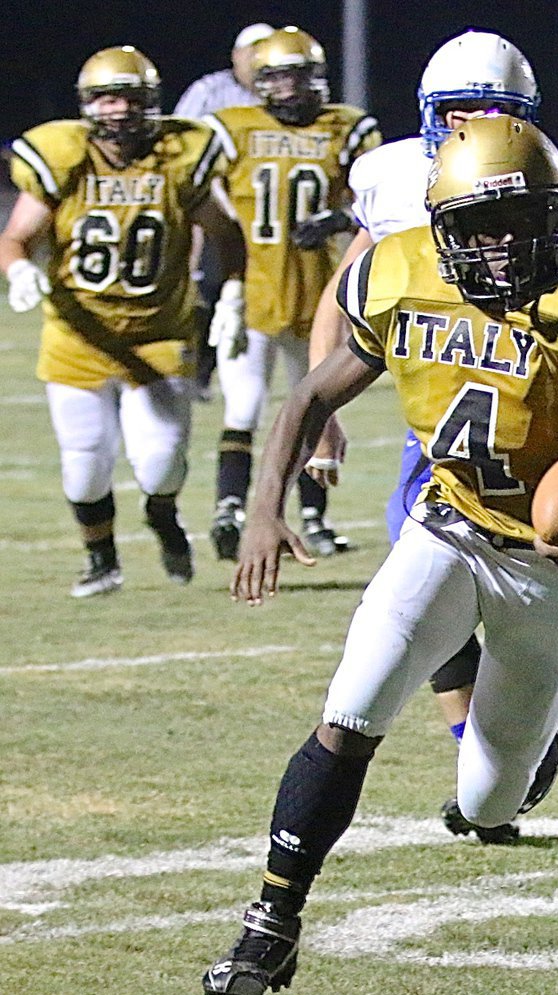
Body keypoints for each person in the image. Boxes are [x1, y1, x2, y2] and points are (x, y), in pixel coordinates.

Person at [201, 115, 558, 995]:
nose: (503, 246)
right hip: (446, 528)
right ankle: (270, 923)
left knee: (489, 804)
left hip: (552, 565)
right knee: (351, 710)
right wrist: (264, 510)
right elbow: (309, 395)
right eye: (481, 227)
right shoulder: (399, 274)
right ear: (442, 228)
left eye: (522, 222)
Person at [308, 31, 558, 849]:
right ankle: (477, 750)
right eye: (458, 109)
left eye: (494, 109)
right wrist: (322, 406)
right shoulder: (389, 176)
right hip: (444, 411)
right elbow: (349, 291)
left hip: (539, 413)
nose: (472, 123)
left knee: (551, 550)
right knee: (414, 572)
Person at [0, 46, 246, 598]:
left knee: (160, 466)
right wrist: (18, 269)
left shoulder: (180, 156)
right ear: (87, 104)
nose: (118, 109)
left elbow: (227, 235)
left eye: (130, 97)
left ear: (150, 101)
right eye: (106, 98)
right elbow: (14, 237)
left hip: (159, 335)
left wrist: (232, 293)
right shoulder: (65, 155)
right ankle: (102, 559)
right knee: (84, 463)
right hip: (79, 337)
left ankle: (162, 514)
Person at [203, 26, 381, 561]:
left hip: (317, 293)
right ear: (258, 81)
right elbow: (194, 189)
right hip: (254, 291)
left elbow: (376, 198)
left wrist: (342, 217)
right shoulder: (232, 128)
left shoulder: (345, 127)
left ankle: (313, 517)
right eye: (276, 77)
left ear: (316, 77)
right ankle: (229, 510)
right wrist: (223, 282)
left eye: (297, 76)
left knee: (315, 407)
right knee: (243, 406)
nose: (287, 88)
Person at [174, 23, 273, 405]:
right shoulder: (210, 91)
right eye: (252, 51)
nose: (258, 60)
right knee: (208, 285)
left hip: (267, 213)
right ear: (236, 56)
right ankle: (201, 368)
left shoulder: (283, 91)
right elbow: (181, 140)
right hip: (216, 203)